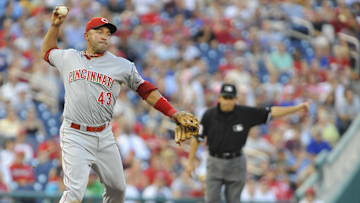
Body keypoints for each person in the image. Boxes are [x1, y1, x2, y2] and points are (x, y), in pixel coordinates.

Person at [40, 6, 196, 203]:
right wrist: (55, 26)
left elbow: (145, 89)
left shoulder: (122, 65)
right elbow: (47, 51)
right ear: (86, 35)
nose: (105, 36)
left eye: (108, 33)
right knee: (74, 193)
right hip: (75, 133)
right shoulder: (70, 57)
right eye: (99, 31)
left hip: (104, 134)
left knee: (118, 190)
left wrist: (173, 113)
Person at [186, 83, 309, 203]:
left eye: (231, 98)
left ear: (236, 99)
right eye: (225, 97)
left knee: (233, 200)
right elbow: (197, 138)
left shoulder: (244, 113)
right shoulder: (209, 115)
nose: (228, 101)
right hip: (215, 161)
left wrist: (296, 108)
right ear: (219, 98)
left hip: (236, 162)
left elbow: (271, 112)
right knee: (212, 200)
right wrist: (190, 161)